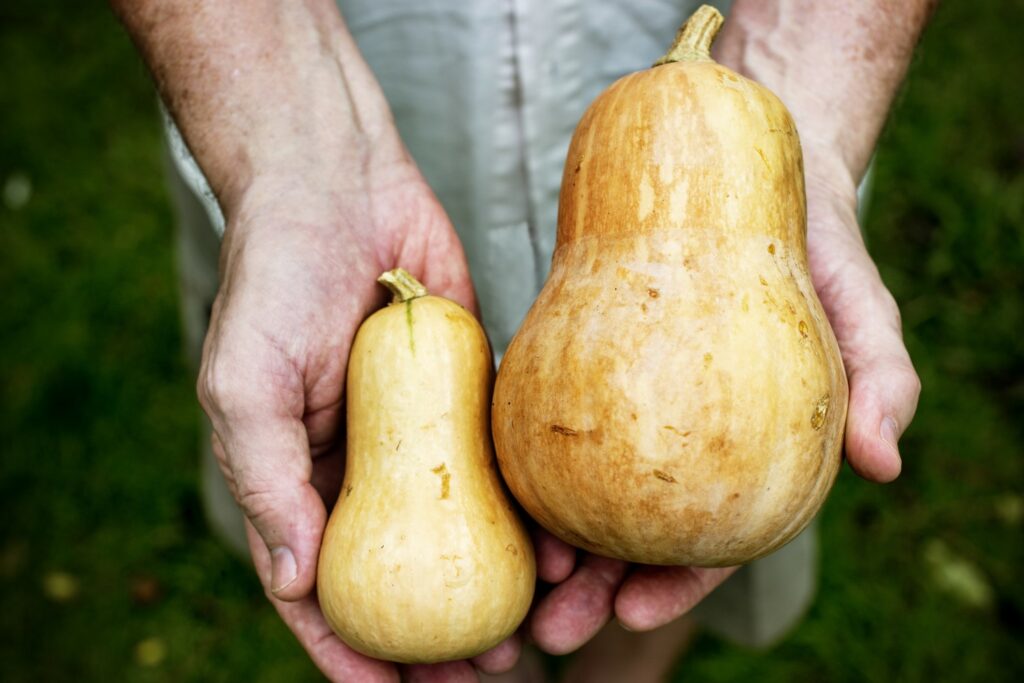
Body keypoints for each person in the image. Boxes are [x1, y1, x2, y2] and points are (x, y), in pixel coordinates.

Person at [112, 1, 929, 681]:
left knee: (654, 591)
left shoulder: (738, 121)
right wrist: (288, 158)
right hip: (322, 71)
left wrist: (814, 93)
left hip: (749, 35)